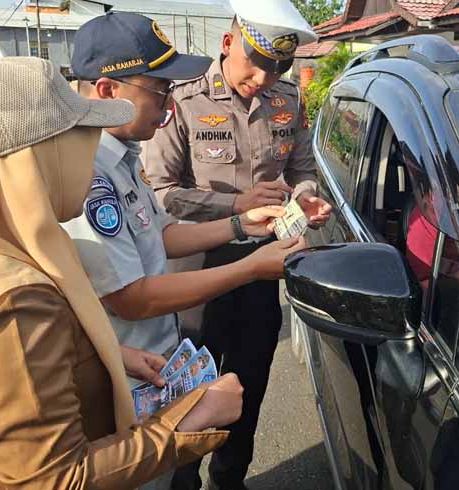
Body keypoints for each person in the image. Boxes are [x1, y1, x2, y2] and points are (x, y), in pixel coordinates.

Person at [0, 57, 244, 490]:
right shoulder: (14, 300)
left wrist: (104, 352)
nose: (91, 161)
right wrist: (188, 421)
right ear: (44, 154)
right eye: (83, 141)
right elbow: (54, 479)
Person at [62, 13, 306, 490]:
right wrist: (251, 267)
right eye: (159, 90)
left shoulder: (121, 157)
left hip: (150, 363)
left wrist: (240, 224)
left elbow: (162, 234)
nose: (170, 102)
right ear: (108, 91)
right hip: (123, 378)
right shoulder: (89, 174)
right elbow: (132, 298)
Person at [141, 1, 331, 488]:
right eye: (257, 63)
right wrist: (235, 206)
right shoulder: (184, 98)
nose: (264, 79)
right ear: (228, 44)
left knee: (248, 386)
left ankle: (230, 480)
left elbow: (302, 169)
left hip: (261, 267)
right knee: (188, 392)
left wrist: (304, 198)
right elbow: (160, 193)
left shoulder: (287, 97)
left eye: (277, 67)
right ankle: (182, 482)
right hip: (194, 270)